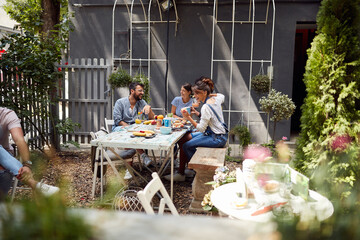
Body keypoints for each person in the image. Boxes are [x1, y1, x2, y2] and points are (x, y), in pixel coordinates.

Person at [164, 77, 228, 181]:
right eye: (194, 93)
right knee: (183, 138)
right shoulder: (217, 99)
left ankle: (196, 169)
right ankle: (183, 171)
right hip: (217, 134)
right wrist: (210, 95)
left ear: (204, 92)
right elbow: (222, 95)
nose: (195, 96)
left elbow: (201, 129)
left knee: (187, 146)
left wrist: (188, 117)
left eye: (197, 93)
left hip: (217, 138)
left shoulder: (205, 107)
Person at [0, 107, 59, 201]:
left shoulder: (7, 114)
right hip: (6, 162)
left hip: (4, 160)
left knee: (3, 170)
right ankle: (34, 184)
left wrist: (27, 165)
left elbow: (19, 139)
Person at [112, 82, 155, 179]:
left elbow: (152, 118)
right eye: (140, 91)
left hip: (134, 130)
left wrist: (149, 108)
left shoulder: (142, 102)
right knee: (128, 135)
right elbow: (118, 120)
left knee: (134, 135)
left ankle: (129, 169)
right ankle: (142, 155)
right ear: (132, 91)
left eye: (142, 91)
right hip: (120, 129)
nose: (142, 93)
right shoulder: (120, 102)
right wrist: (129, 129)